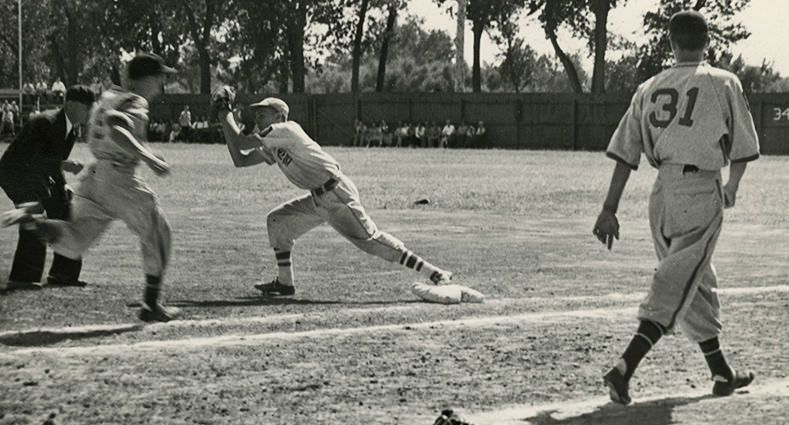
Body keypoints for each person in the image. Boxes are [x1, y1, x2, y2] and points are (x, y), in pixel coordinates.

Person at [593, 10, 759, 405]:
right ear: (708, 41)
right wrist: (731, 187)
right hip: (701, 190)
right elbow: (742, 147)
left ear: (671, 44)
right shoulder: (723, 81)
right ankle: (624, 367)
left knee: (696, 279)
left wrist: (609, 208)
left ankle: (720, 371)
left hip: (661, 194)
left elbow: (625, 153)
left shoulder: (649, 86)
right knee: (676, 282)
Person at [212, 90, 453, 296]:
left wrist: (226, 114)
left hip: (336, 194)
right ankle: (285, 283)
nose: (257, 116)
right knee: (278, 221)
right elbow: (240, 160)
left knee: (371, 240)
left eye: (263, 112)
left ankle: (434, 272)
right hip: (318, 198)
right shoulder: (273, 143)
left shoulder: (287, 129)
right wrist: (225, 121)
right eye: (256, 113)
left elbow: (242, 143)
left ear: (279, 116)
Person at [0, 54, 179, 322]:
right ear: (149, 79)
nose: (161, 84)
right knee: (158, 232)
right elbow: (118, 127)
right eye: (160, 77)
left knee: (74, 239)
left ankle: (36, 223)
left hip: (95, 177)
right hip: (120, 179)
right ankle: (151, 304)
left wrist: (141, 150)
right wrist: (148, 156)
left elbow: (108, 130)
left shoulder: (107, 97)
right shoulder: (136, 100)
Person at [0, 86, 95, 290]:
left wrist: (63, 187)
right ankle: (23, 278)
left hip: (37, 176)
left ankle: (63, 274)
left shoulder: (71, 130)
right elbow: (33, 159)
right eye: (86, 107)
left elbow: (51, 165)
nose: (90, 111)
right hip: (14, 174)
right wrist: (65, 165)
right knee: (35, 215)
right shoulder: (46, 122)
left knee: (66, 211)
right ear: (70, 104)